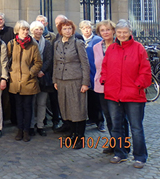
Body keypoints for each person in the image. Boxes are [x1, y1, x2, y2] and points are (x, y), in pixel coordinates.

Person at [101, 20, 151, 168]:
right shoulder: (111, 49)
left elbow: (145, 71)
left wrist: (137, 85)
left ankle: (140, 156)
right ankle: (120, 153)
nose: (122, 35)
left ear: (130, 33)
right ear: (116, 33)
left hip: (134, 95)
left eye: (125, 32)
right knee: (116, 126)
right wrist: (104, 80)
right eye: (120, 32)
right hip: (113, 94)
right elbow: (105, 67)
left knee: (136, 127)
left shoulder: (138, 48)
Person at [53, 18, 90, 149]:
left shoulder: (78, 43)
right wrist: (55, 80)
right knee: (66, 108)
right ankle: (72, 133)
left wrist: (85, 82)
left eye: (69, 28)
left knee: (77, 109)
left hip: (76, 80)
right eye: (65, 28)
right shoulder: (57, 43)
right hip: (61, 81)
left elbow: (85, 64)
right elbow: (55, 63)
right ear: (60, 30)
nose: (67, 31)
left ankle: (80, 137)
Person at [7, 20, 42, 142]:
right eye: (23, 29)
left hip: (29, 81)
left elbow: (38, 62)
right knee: (18, 107)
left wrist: (31, 73)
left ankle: (27, 130)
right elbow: (6, 59)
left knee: (28, 107)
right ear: (18, 31)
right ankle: (20, 129)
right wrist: (10, 72)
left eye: (27, 30)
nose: (25, 32)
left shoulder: (33, 45)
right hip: (15, 81)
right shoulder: (11, 44)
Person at [93, 19, 125, 155]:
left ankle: (123, 146)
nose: (105, 32)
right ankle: (114, 143)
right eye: (102, 30)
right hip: (101, 86)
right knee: (108, 117)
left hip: (118, 86)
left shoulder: (120, 45)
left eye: (107, 29)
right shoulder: (96, 47)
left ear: (113, 31)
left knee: (120, 118)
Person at [28, 21, 53, 137]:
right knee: (32, 103)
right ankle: (31, 125)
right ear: (32, 30)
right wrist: (34, 71)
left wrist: (42, 71)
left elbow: (49, 59)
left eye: (41, 29)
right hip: (32, 77)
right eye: (36, 29)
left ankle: (40, 125)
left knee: (42, 103)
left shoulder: (47, 43)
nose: (39, 31)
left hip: (43, 77)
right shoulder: (29, 43)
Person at [79, 20, 105, 132]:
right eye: (84, 28)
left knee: (97, 99)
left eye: (88, 28)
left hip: (95, 72)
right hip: (84, 74)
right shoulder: (79, 40)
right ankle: (91, 118)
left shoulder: (97, 40)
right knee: (88, 98)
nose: (86, 30)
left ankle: (100, 121)